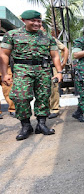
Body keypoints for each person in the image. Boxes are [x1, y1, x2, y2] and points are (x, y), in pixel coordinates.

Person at [0, 10, 62, 140]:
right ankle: (26, 126)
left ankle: (41, 124)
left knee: (43, 96)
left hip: (43, 69)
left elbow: (55, 55)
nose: (36, 23)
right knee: (20, 97)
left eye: (39, 21)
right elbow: (4, 55)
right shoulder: (12, 35)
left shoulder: (47, 37)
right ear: (24, 20)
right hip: (22, 69)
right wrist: (5, 74)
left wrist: (60, 72)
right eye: (33, 20)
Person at [39, 25, 69, 119]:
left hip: (52, 67)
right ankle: (45, 109)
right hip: (39, 68)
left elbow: (65, 49)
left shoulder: (51, 39)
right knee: (41, 90)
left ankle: (54, 109)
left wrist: (63, 62)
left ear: (44, 29)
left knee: (54, 89)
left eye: (41, 27)